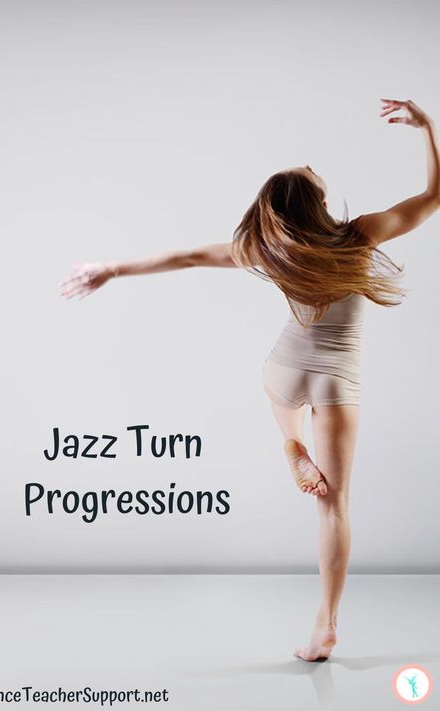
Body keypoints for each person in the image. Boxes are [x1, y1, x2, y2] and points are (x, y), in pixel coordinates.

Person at [59, 98, 440, 661]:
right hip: (339, 381)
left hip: (288, 367)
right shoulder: (360, 236)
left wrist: (113, 268)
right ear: (318, 200)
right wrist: (428, 129)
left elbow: (188, 256)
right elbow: (433, 197)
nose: (311, 165)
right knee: (334, 507)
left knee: (272, 384)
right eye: (310, 173)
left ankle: (291, 439)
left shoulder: (269, 250)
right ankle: (326, 624)